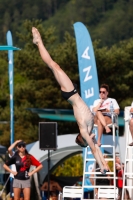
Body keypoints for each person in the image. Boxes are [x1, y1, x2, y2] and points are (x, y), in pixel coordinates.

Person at [31, 27, 109, 174]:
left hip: (71, 94)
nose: (90, 139)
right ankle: (38, 42)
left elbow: (93, 148)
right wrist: (104, 165)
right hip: (73, 93)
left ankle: (38, 42)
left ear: (82, 138)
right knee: (53, 66)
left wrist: (101, 165)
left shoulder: (84, 131)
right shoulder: (89, 131)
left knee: (53, 65)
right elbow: (96, 147)